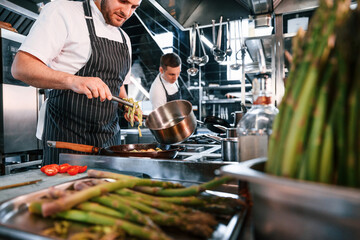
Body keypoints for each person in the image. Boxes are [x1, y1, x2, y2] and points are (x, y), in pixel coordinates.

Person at [11, 0, 142, 165]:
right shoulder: (63, 11)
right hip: (67, 140)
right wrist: (73, 80)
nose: (127, 12)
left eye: (134, 7)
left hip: (110, 144)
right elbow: (21, 67)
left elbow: (118, 83)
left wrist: (127, 105)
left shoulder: (125, 38)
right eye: (123, 1)